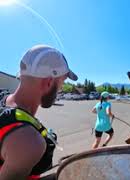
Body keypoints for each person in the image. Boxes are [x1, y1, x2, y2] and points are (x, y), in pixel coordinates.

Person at [0, 45, 78, 179]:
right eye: (62, 82)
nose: (61, 89)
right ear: (48, 82)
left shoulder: (2, 97)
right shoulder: (30, 142)